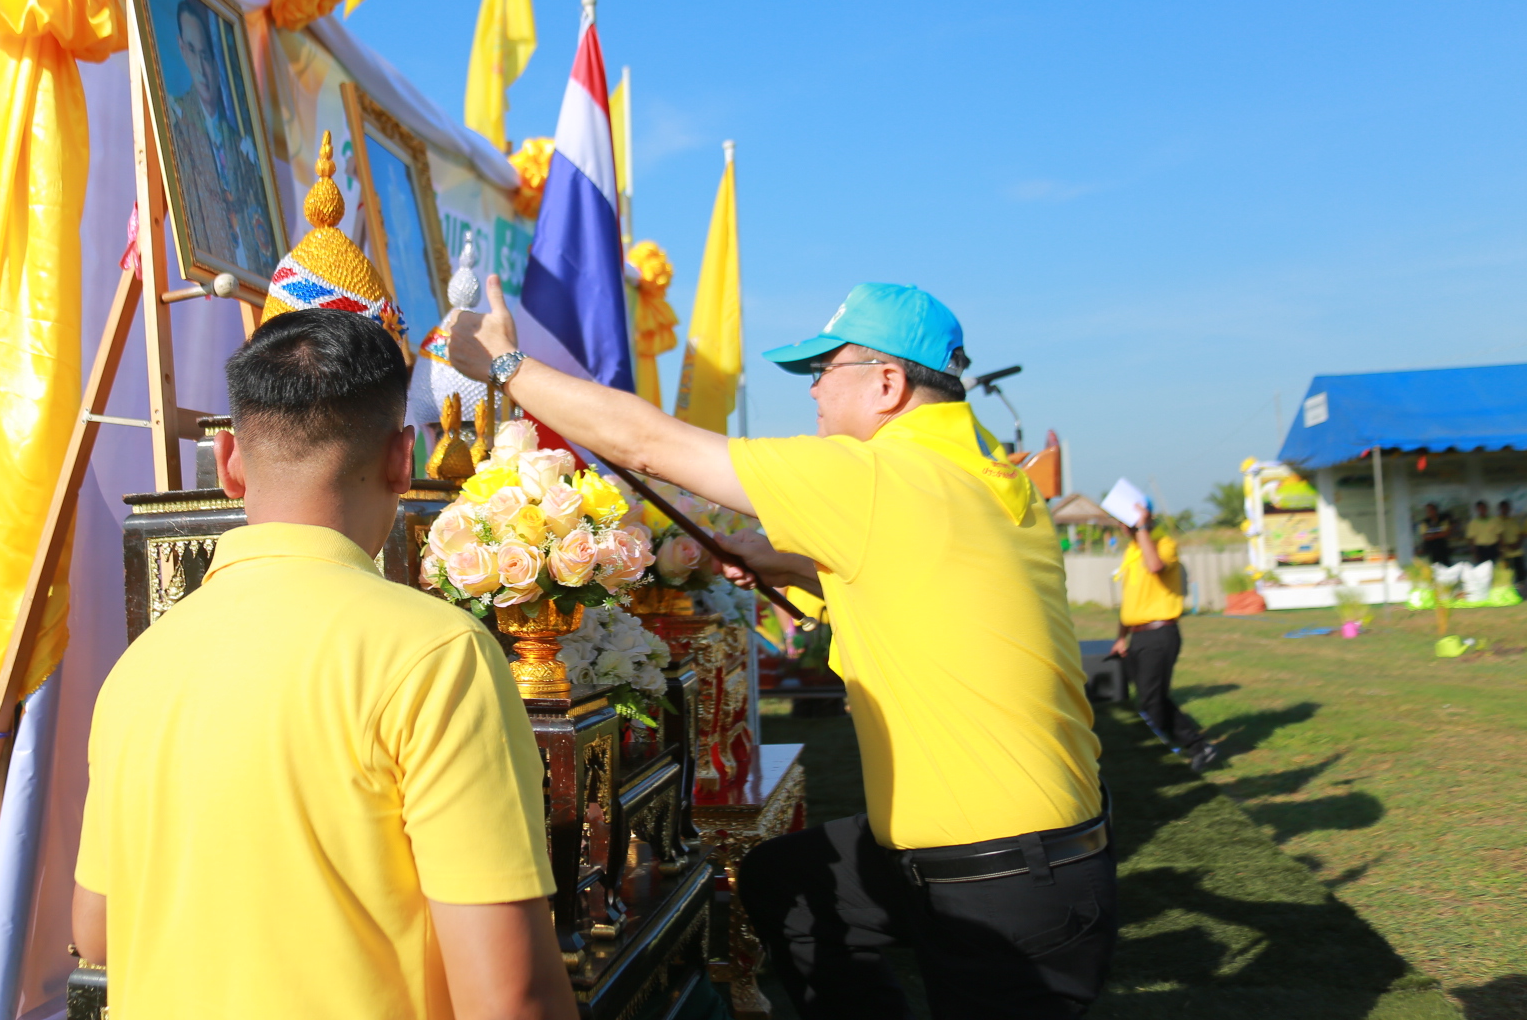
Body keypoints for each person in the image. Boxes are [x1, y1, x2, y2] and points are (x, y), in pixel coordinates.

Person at [450, 280, 1115, 1019]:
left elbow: (646, 444)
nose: (814, 395)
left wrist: (506, 365)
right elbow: (922, 582)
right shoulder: (979, 478)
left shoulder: (880, 477)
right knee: (784, 884)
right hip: (1014, 855)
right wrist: (786, 560)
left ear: (888, 383)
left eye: (823, 372)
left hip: (999, 880)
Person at [72, 308, 575, 1020]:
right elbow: (509, 997)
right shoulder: (436, 656)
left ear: (229, 464)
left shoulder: (140, 666)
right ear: (403, 458)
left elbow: (96, 931)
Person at [168, 0, 280, 276]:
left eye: (206, 56)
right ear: (182, 49)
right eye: (192, 52)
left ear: (217, 62)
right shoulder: (178, 124)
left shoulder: (242, 147)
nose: (201, 69)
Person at [1107, 505, 1217, 772]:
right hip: (1138, 636)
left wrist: (1143, 527)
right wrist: (1121, 637)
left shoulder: (1164, 544)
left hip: (1160, 633)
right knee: (1153, 696)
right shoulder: (1131, 551)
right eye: (1121, 522)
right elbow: (1131, 600)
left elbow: (1155, 566)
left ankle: (1165, 757)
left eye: (1127, 522)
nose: (1122, 527)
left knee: (1150, 700)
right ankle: (1197, 746)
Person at [1465, 500, 1502, 569]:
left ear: (1487, 508)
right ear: (1477, 510)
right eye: (1480, 508)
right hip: (1481, 549)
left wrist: (1500, 549)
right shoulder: (1473, 523)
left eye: (1484, 508)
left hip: (1493, 548)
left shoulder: (1494, 520)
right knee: (1482, 569)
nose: (1482, 510)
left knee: (1495, 567)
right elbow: (1471, 539)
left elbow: (1499, 535)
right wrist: (1474, 553)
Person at [1497, 501, 1523, 586]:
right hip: (1505, 554)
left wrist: (1517, 544)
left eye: (1507, 508)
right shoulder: (1497, 521)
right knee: (1508, 578)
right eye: (1503, 508)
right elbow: (1497, 537)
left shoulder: (1513, 520)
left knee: (1520, 576)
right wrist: (1507, 546)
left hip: (1517, 552)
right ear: (1500, 509)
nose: (1505, 510)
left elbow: (1520, 534)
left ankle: (1523, 596)